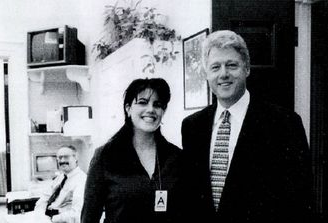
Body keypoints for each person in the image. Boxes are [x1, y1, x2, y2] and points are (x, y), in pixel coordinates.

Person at [178, 30, 313, 223]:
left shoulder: (284, 123)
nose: (223, 74)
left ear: (247, 68)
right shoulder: (192, 126)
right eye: (215, 67)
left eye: (231, 65)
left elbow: (300, 199)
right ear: (206, 74)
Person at [81, 78, 181, 223]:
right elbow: (89, 218)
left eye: (157, 104)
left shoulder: (177, 157)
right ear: (128, 108)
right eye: (142, 102)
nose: (151, 109)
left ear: (163, 111)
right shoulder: (105, 156)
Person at [5, 145, 86, 223]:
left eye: (66, 157)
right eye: (60, 157)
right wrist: (39, 214)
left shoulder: (81, 180)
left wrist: (52, 219)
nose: (62, 161)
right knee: (8, 219)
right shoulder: (60, 177)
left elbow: (77, 213)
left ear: (75, 158)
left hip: (59, 219)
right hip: (45, 216)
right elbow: (45, 197)